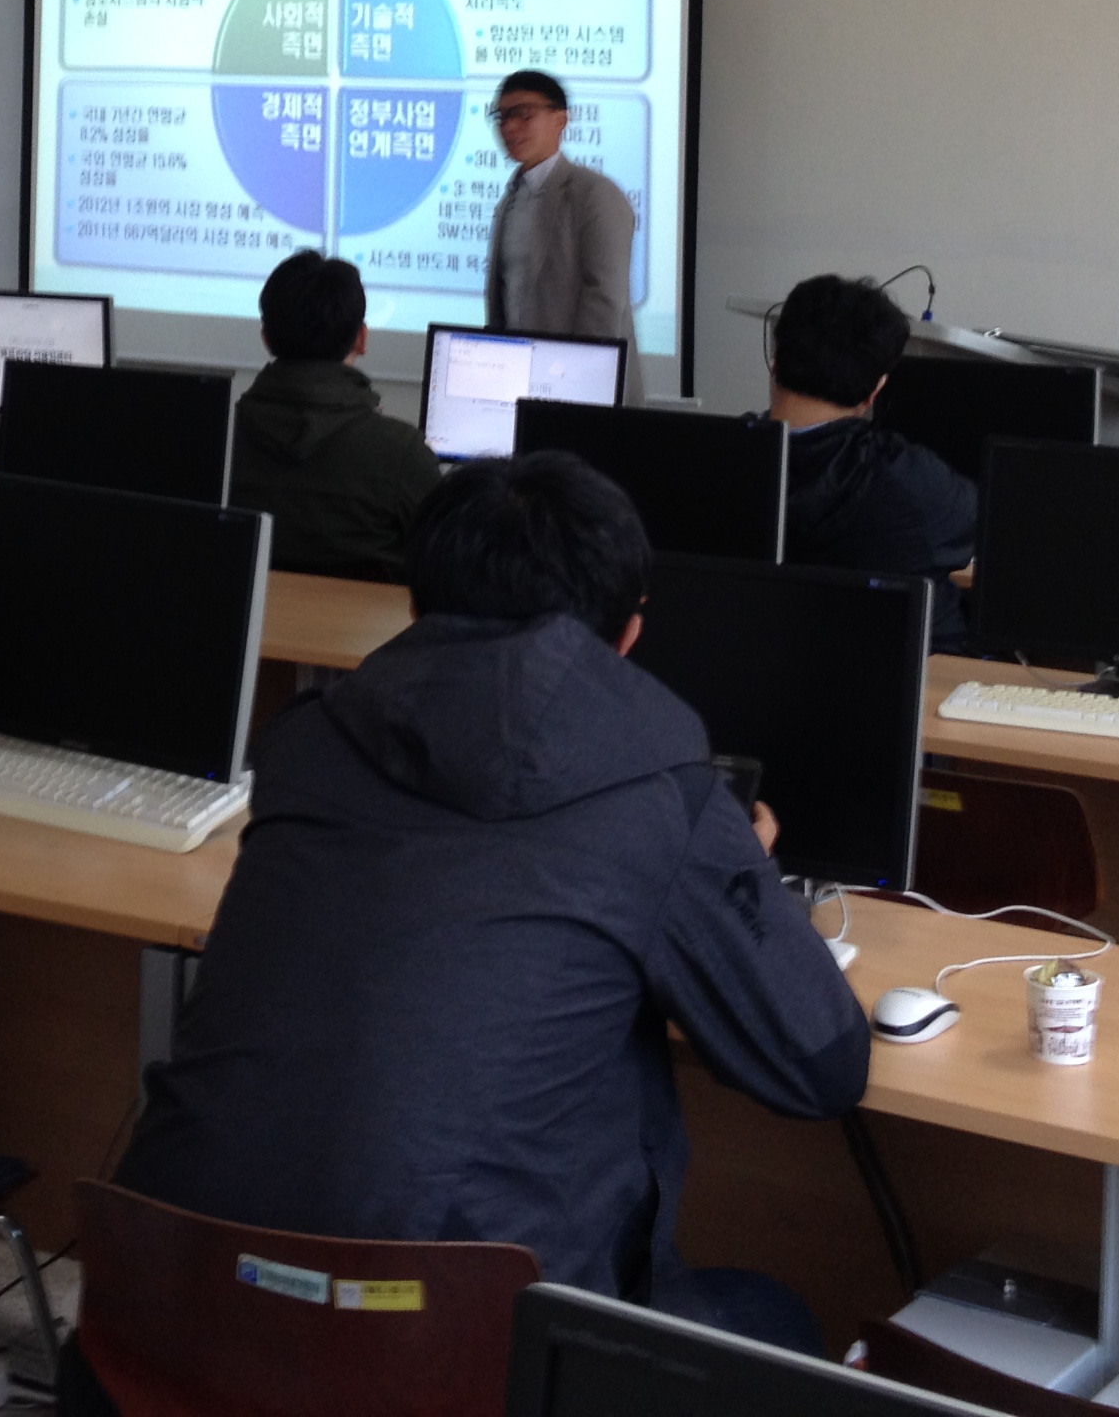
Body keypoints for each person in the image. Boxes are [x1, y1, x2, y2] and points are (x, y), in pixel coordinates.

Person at [112, 450, 866, 1355]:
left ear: (417, 608)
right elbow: (822, 1068)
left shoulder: (305, 744)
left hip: (171, 1311)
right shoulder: (664, 800)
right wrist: (737, 872)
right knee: (776, 1317)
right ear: (629, 634)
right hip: (446, 1353)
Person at [767, 274, 979, 653]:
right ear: (876, 389)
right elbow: (979, 533)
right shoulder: (910, 479)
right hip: (914, 676)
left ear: (775, 361)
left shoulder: (714, 461)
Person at [227, 250, 443, 585]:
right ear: (362, 338)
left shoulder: (216, 439)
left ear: (265, 336)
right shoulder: (403, 453)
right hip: (368, 621)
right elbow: (444, 566)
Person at [480, 70, 636, 365]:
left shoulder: (595, 194)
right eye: (502, 118)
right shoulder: (511, 198)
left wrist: (573, 372)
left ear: (560, 120)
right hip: (519, 369)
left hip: (580, 375)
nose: (509, 127)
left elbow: (605, 299)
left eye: (523, 114)